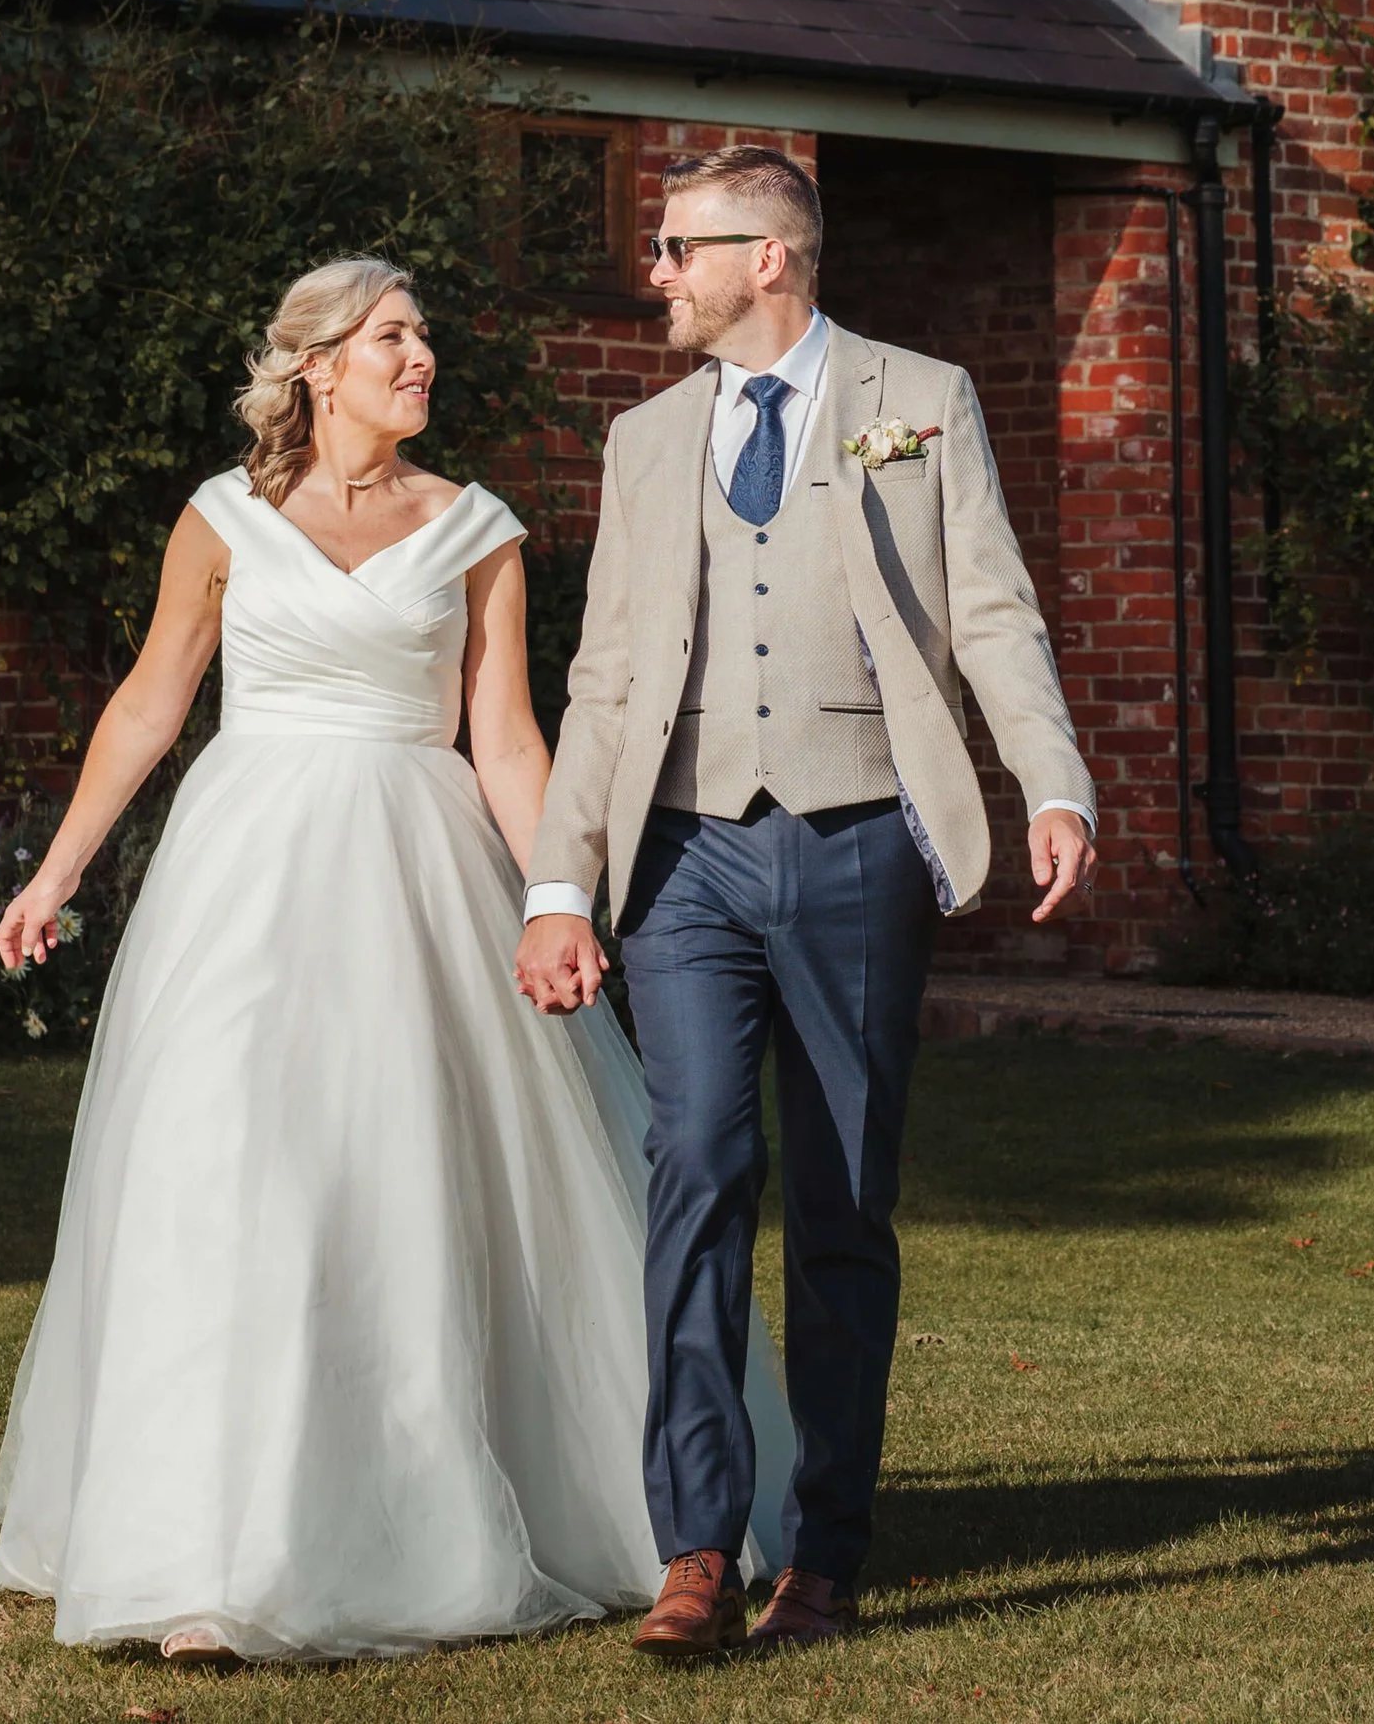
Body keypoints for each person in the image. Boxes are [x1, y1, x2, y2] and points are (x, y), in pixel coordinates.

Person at [0, 253, 784, 1661]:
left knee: (405, 1179)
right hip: (246, 876)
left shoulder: (476, 527)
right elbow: (150, 699)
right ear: (317, 364)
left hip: (422, 878)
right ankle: (204, 1561)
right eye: (390, 336)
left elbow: (509, 737)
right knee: (228, 1173)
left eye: (420, 335)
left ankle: (445, 1504)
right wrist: (58, 870)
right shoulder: (222, 518)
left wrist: (561, 897)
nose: (420, 357)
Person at [515, 146, 1098, 1658]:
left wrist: (1053, 781)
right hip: (687, 856)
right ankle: (698, 1545)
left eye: (676, 245)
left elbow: (991, 608)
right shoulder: (645, 439)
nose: (658, 269)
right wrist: (562, 880)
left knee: (842, 1200)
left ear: (767, 255)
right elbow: (603, 674)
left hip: (857, 846)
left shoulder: (921, 396)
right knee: (697, 1163)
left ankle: (825, 1556)